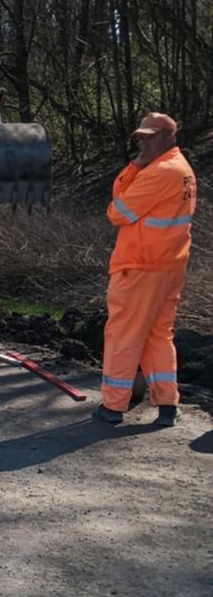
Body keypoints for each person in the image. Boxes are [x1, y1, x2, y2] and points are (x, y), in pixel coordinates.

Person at [94, 111, 197, 427]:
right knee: (157, 335)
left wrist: (134, 168)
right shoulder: (182, 170)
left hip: (141, 267)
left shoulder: (160, 172)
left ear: (168, 137)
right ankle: (167, 405)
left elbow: (117, 212)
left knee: (123, 334)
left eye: (150, 137)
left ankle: (113, 407)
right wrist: (138, 165)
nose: (143, 142)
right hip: (168, 266)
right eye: (140, 137)